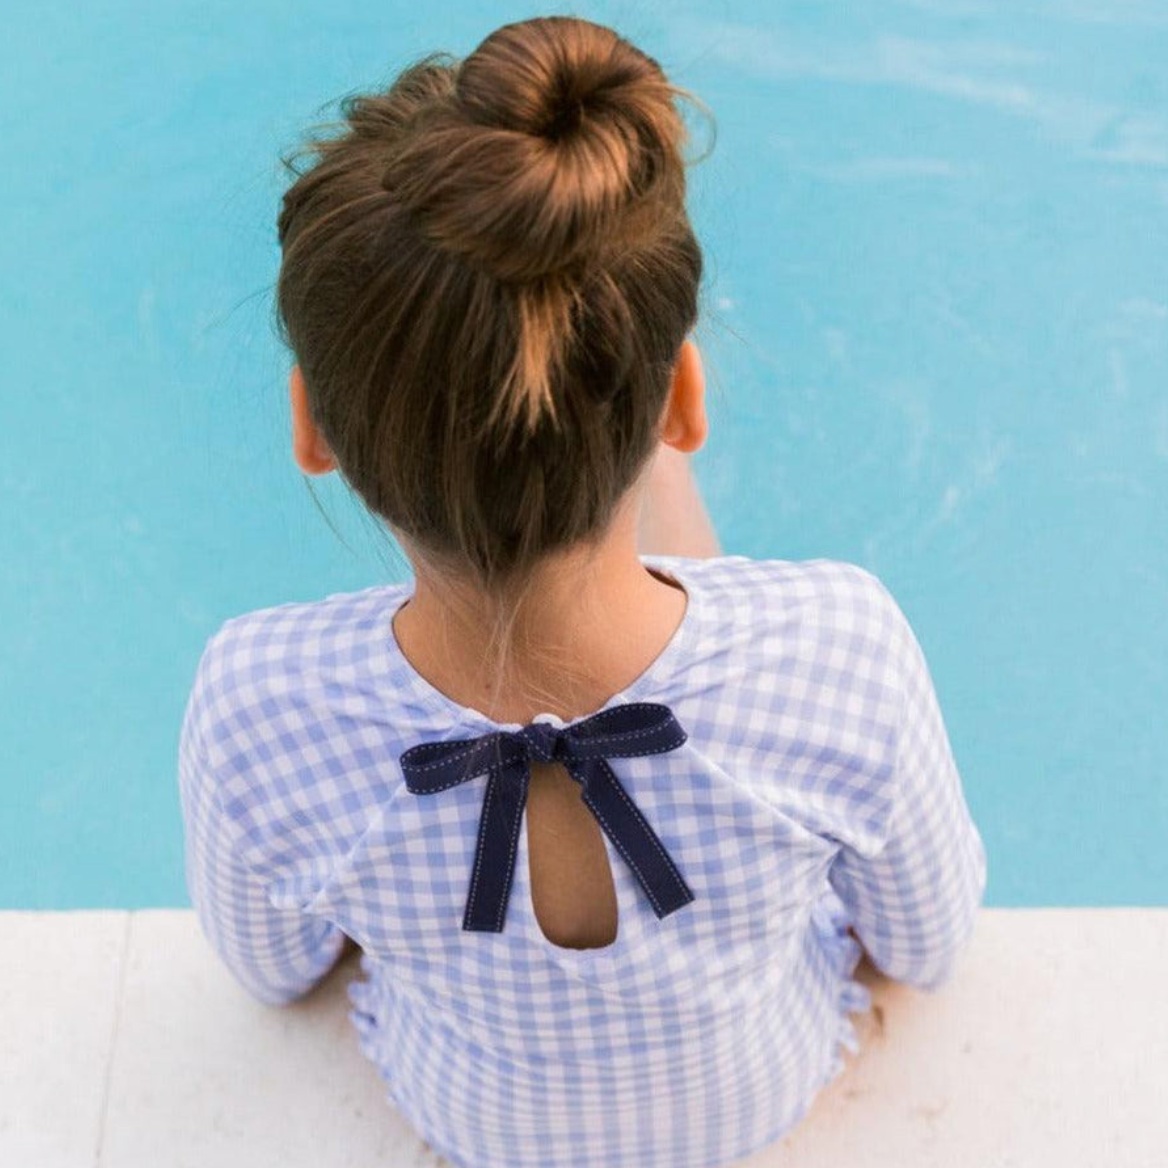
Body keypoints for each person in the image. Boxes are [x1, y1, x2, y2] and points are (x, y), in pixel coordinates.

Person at [178, 15, 987, 1168]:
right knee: (710, 609)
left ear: (314, 428)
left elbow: (274, 969)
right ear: (688, 392)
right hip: (760, 1100)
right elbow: (924, 942)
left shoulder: (257, 701)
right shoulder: (841, 644)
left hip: (468, 1120)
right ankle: (640, 478)